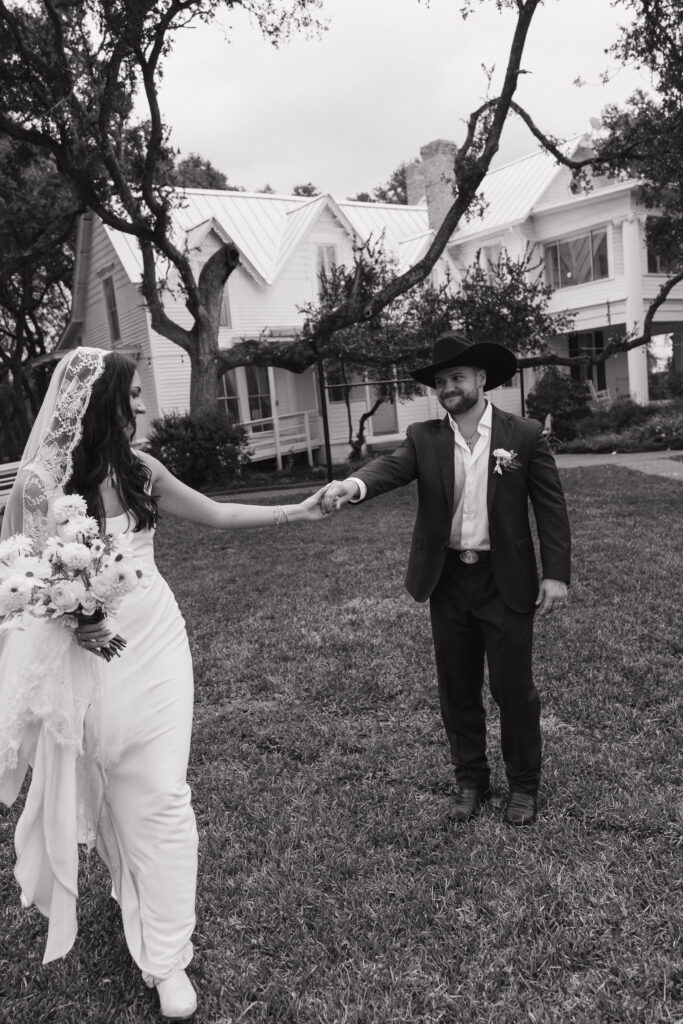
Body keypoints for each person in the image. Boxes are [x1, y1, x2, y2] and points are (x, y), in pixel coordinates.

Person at [0, 347, 326, 1021]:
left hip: (157, 640)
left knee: (162, 793)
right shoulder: (39, 484)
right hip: (87, 653)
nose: (145, 407)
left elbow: (216, 513)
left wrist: (299, 511)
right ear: (99, 402)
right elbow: (18, 577)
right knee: (116, 777)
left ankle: (167, 957)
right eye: (134, 396)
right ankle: (131, 883)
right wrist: (71, 612)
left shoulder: (140, 467)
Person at [320, 332, 571, 828]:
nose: (448, 388)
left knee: (512, 687)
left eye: (457, 378)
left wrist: (556, 574)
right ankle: (470, 780)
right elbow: (389, 469)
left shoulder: (522, 435)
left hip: (507, 580)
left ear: (481, 380)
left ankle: (523, 784)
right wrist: (352, 485)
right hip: (449, 579)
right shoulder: (425, 439)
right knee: (456, 687)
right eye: (441, 382)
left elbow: (551, 508)